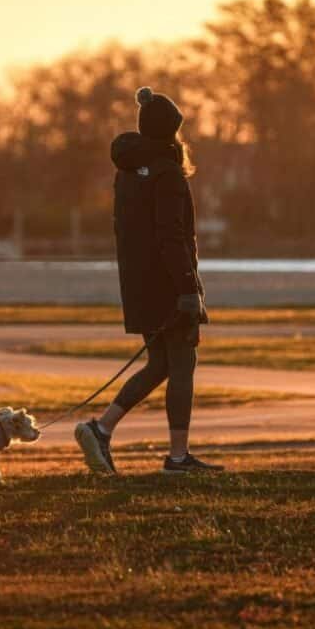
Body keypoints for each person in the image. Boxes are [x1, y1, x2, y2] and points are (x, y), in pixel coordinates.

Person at [75, 86, 224, 475]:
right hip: (169, 286)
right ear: (170, 132)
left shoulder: (127, 173)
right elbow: (171, 238)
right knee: (182, 362)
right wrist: (189, 291)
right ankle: (177, 458)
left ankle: (101, 429)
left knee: (160, 363)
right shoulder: (168, 174)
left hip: (139, 285)